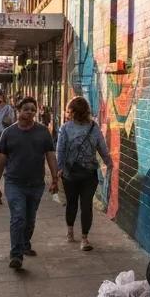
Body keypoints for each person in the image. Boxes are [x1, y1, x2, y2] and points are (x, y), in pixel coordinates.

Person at [0, 95, 58, 270]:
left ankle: (25, 243)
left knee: (30, 220)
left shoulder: (43, 132)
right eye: (26, 109)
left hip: (36, 184)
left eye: (32, 110)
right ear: (18, 111)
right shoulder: (9, 133)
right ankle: (16, 255)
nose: (29, 112)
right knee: (18, 217)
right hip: (14, 183)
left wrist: (55, 178)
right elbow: (0, 162)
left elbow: (50, 156)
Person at [56, 96, 113, 251]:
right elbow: (102, 148)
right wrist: (109, 163)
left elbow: (60, 151)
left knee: (75, 204)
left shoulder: (67, 128)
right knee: (83, 205)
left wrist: (59, 169)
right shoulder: (90, 128)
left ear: (72, 112)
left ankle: (75, 234)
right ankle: (82, 238)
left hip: (73, 173)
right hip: (84, 174)